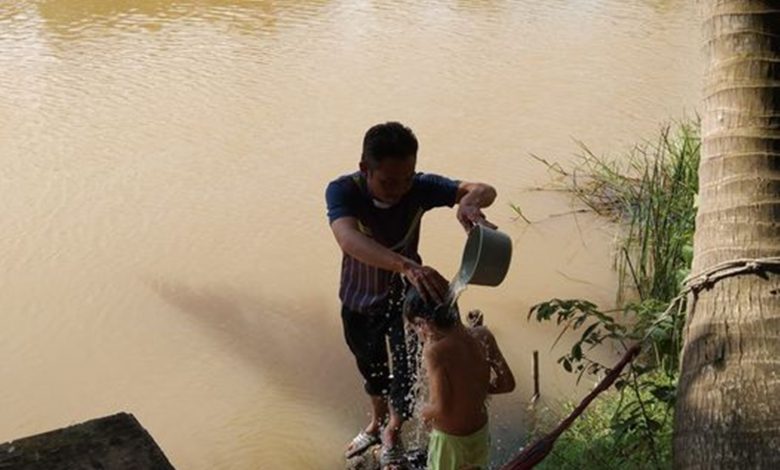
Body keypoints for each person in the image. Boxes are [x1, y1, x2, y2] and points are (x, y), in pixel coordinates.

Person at [325, 121, 497, 468]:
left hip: (408, 298)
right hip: (359, 297)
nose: (399, 189)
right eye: (388, 181)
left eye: (406, 178)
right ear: (365, 170)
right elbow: (347, 238)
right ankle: (375, 422)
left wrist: (469, 203)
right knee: (370, 366)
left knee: (404, 368)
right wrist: (405, 265)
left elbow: (483, 188)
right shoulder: (344, 191)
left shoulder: (419, 187)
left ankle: (392, 429)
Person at [404, 289, 515, 470]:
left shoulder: (434, 352)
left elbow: (440, 408)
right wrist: (474, 388)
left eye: (416, 325)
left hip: (449, 441)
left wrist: (422, 413)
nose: (417, 332)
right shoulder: (483, 335)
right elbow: (507, 384)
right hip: (479, 433)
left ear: (427, 323)